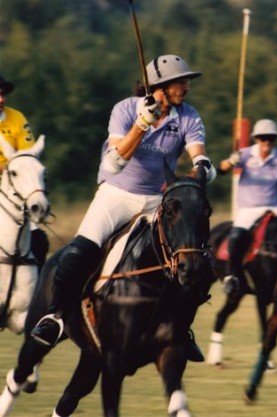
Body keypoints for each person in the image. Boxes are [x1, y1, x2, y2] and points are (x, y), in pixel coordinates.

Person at [29, 55, 217, 362]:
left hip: (158, 201)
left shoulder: (188, 115)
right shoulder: (126, 109)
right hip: (117, 194)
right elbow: (113, 163)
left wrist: (201, 166)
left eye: (186, 82)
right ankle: (56, 317)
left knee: (192, 258)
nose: (186, 87)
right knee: (78, 251)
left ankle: (181, 327)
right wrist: (142, 123)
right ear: (160, 86)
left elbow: (200, 156)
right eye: (180, 81)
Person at [218, 119, 277, 295]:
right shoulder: (244, 154)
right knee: (236, 236)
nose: (266, 142)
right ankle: (231, 275)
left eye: (270, 138)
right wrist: (231, 161)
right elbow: (221, 169)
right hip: (249, 209)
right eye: (263, 138)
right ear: (256, 139)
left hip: (274, 207)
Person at [0, 73, 49, 271]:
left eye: (2, 94)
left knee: (39, 240)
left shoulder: (16, 117)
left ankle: (37, 292)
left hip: (11, 187)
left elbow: (26, 155)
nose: (1, 99)